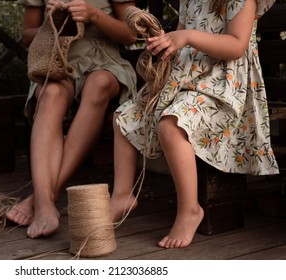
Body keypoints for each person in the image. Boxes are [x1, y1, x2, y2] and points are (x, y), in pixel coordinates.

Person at [110, 0, 279, 249]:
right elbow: (182, 37)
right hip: (187, 78)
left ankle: (190, 209)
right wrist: (167, 43)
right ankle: (122, 195)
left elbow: (236, 46)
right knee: (125, 117)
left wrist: (188, 36)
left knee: (171, 125)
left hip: (223, 84)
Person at [6, 0, 137, 238]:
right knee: (51, 93)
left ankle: (40, 197)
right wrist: (53, 24)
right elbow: (27, 35)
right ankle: (45, 204)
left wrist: (94, 15)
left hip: (105, 62)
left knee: (99, 84)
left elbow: (131, 34)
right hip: (56, 61)